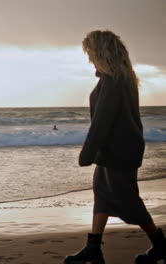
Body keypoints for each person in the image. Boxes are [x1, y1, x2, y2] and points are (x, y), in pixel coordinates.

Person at [65, 30, 166, 264]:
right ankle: (93, 247)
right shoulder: (122, 77)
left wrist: (86, 153)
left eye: (90, 53)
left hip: (119, 150)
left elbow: (103, 120)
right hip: (117, 150)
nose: (89, 58)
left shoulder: (113, 81)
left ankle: (161, 244)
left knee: (127, 199)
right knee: (102, 195)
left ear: (101, 52)